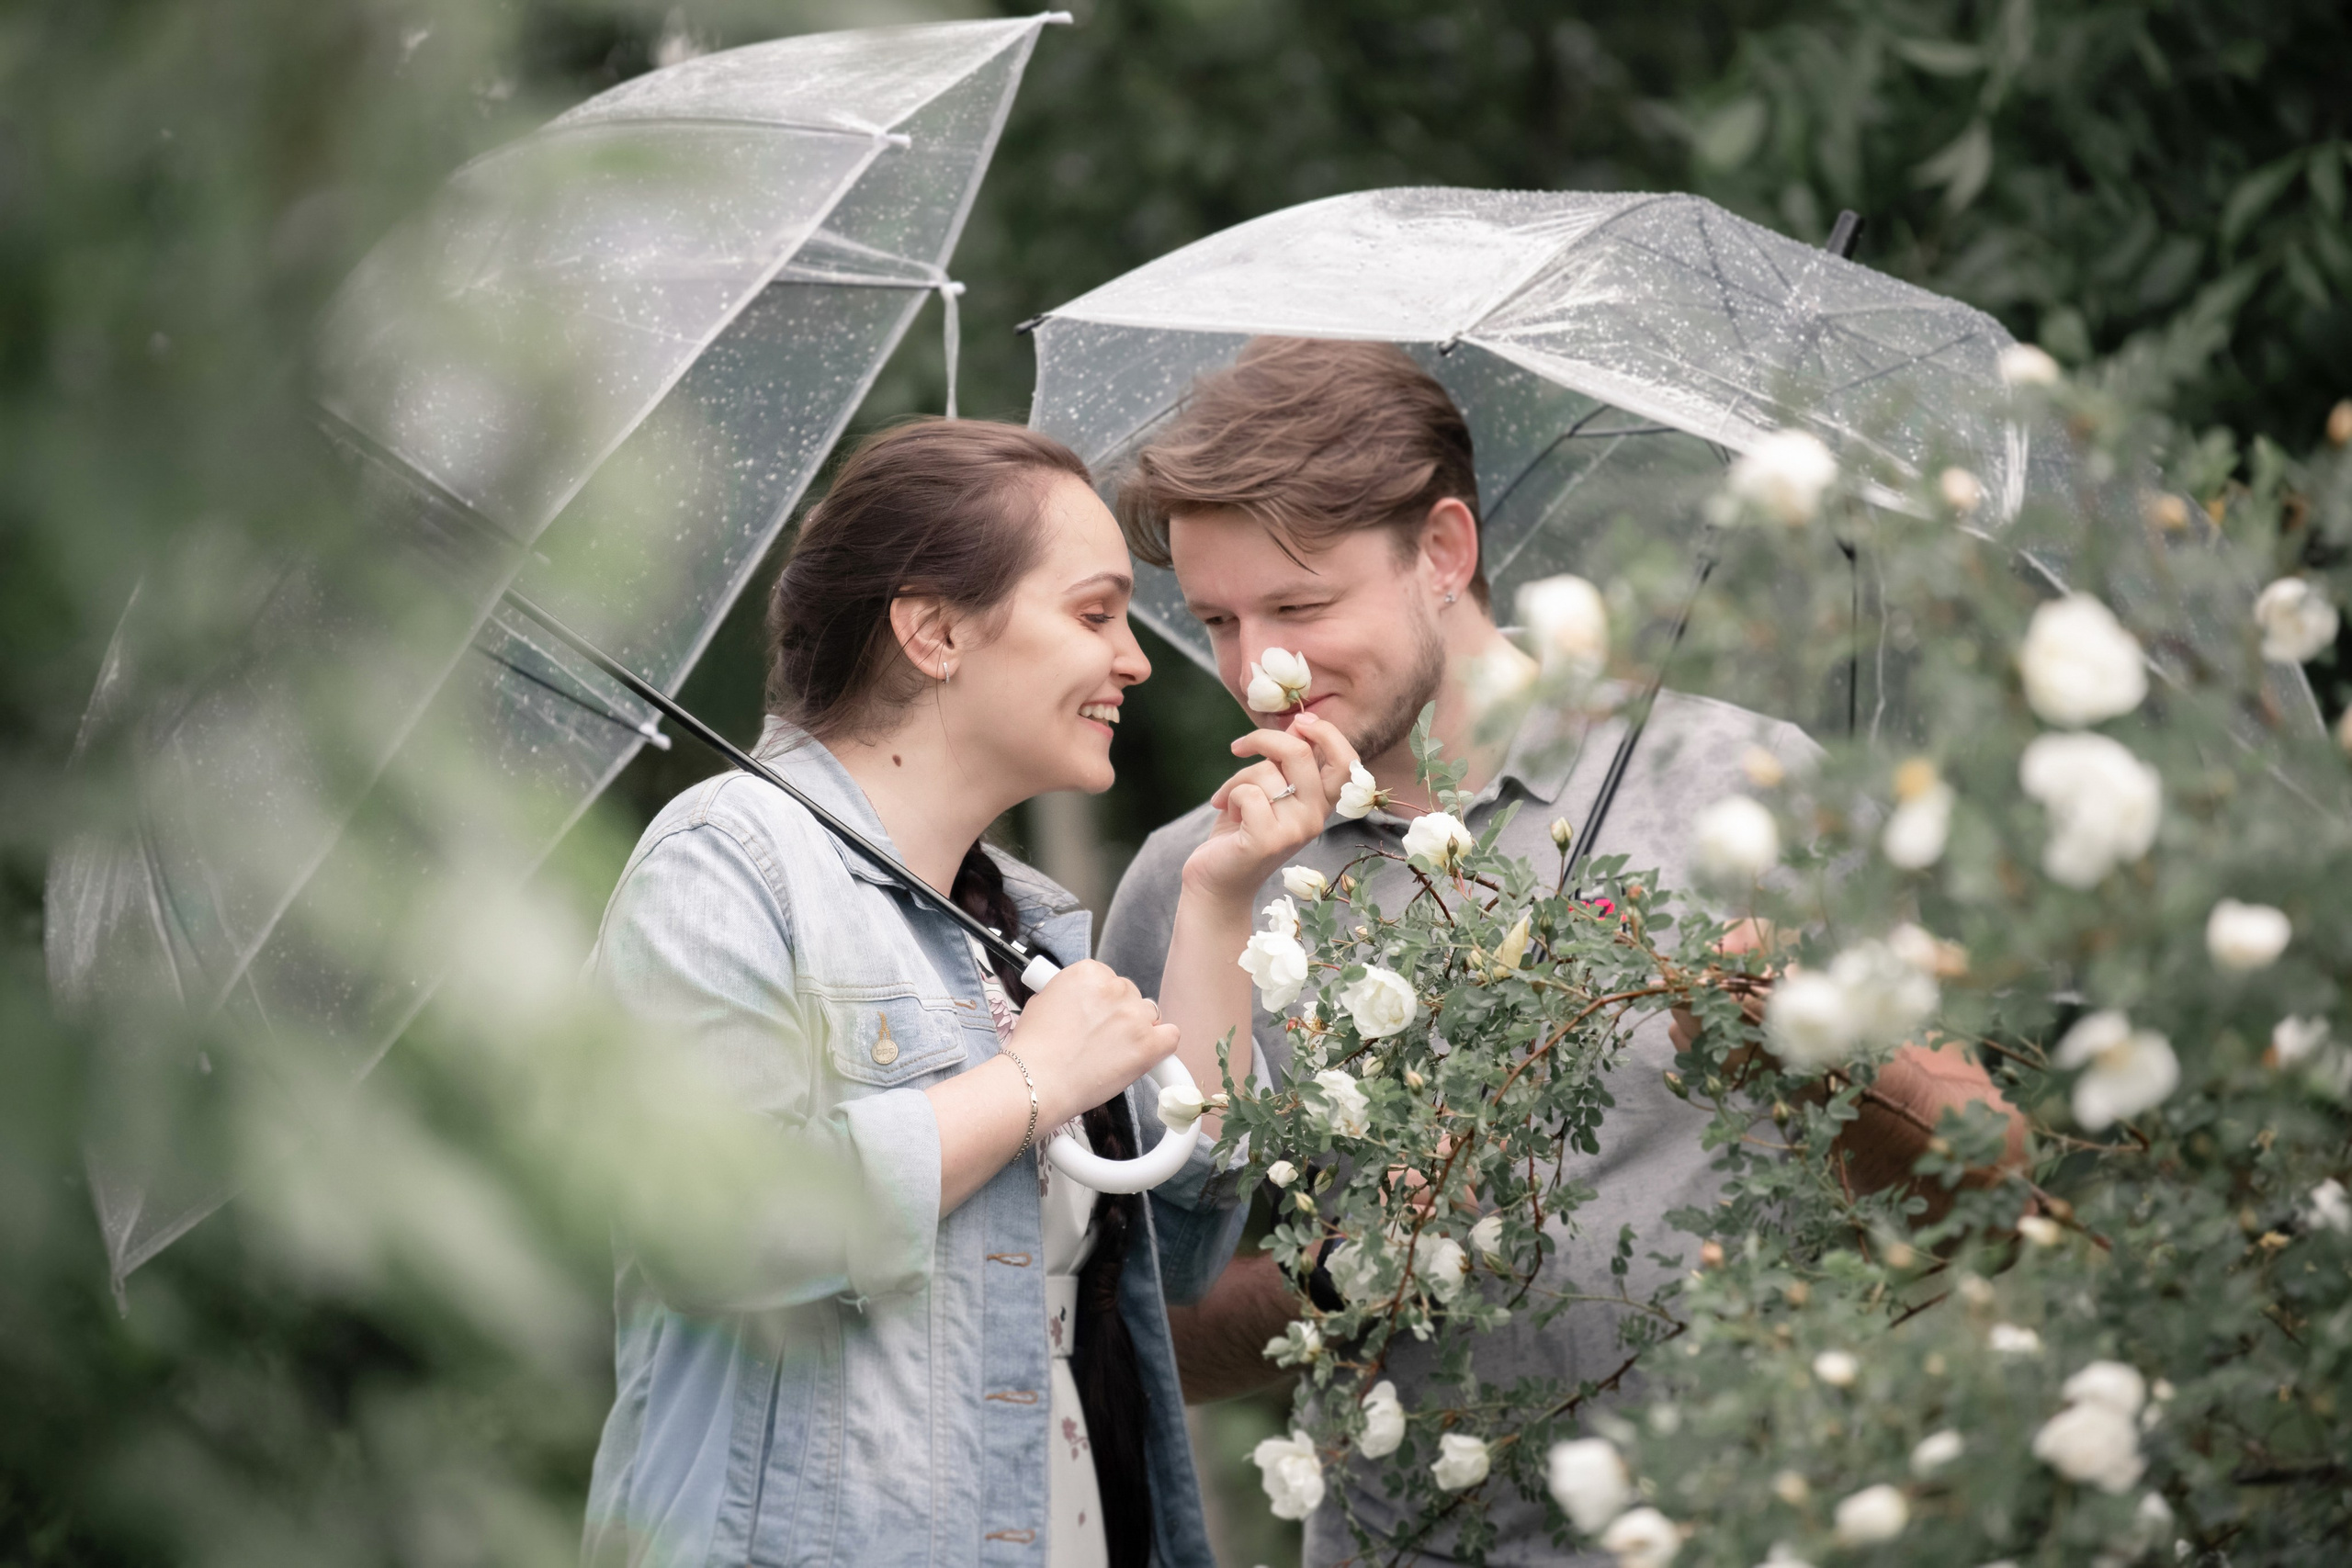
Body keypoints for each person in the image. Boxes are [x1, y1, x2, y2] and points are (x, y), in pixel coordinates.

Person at [1093, 339, 2022, 1567]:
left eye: (1302, 607)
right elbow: (1137, 1325)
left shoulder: (1741, 790)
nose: (1260, 668)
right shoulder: (1197, 879)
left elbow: (1991, 1186)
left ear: (1443, 553)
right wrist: (1340, 1277)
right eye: (1219, 617)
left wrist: (1817, 1053)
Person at [580, 419, 1363, 1568]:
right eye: (1094, 614)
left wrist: (1217, 901)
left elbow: (1183, 1246)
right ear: (936, 631)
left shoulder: (1015, 919)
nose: (1136, 658)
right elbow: (716, 1226)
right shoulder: (727, 863)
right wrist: (1030, 1080)